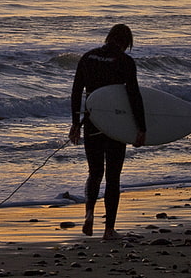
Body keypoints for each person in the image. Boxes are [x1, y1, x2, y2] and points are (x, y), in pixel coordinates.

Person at [69, 24, 146, 240]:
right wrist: (141, 128)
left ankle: (89, 213)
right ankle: (109, 230)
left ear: (109, 37)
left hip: (92, 121)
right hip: (115, 124)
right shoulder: (124, 61)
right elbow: (134, 96)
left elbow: (76, 92)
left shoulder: (87, 57)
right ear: (126, 42)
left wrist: (75, 124)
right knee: (113, 177)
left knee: (95, 172)